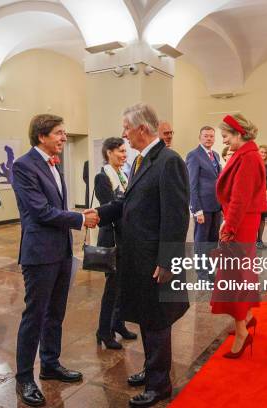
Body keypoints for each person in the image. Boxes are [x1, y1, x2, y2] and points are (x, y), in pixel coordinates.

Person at [96, 103, 190, 407]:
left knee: (157, 323)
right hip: (140, 258)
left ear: (141, 129)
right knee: (148, 320)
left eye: (126, 128)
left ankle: (159, 386)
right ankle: (152, 371)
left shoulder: (169, 161)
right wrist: (96, 213)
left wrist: (169, 262)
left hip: (157, 262)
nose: (123, 134)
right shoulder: (141, 162)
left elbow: (176, 218)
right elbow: (126, 204)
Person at [12, 114, 99, 407]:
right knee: (34, 315)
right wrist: (79, 218)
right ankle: (24, 376)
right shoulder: (24, 166)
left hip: (61, 249)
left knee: (56, 312)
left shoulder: (53, 163)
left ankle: (50, 364)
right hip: (39, 253)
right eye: (59, 133)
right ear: (42, 136)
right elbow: (39, 211)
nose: (64, 137)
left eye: (64, 133)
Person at [211, 114, 267, 358]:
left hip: (241, 223)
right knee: (243, 271)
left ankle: (242, 331)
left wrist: (228, 228)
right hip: (245, 220)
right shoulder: (248, 154)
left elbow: (240, 198)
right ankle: (248, 316)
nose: (223, 141)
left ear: (238, 134)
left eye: (225, 136)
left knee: (235, 276)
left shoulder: (247, 157)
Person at [94, 137, 137, 350]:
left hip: (125, 237)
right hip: (112, 239)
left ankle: (118, 323)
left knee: (123, 286)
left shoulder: (122, 174)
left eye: (125, 151)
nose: (124, 155)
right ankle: (104, 331)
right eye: (120, 151)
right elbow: (109, 209)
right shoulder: (102, 177)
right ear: (109, 152)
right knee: (112, 288)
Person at [185, 125, 222, 281]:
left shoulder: (216, 156)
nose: (209, 139)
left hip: (216, 206)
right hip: (203, 207)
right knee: (201, 242)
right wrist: (196, 209)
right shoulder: (194, 155)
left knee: (213, 241)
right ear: (200, 137)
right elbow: (191, 184)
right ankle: (201, 275)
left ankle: (210, 271)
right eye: (206, 136)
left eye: (211, 136)